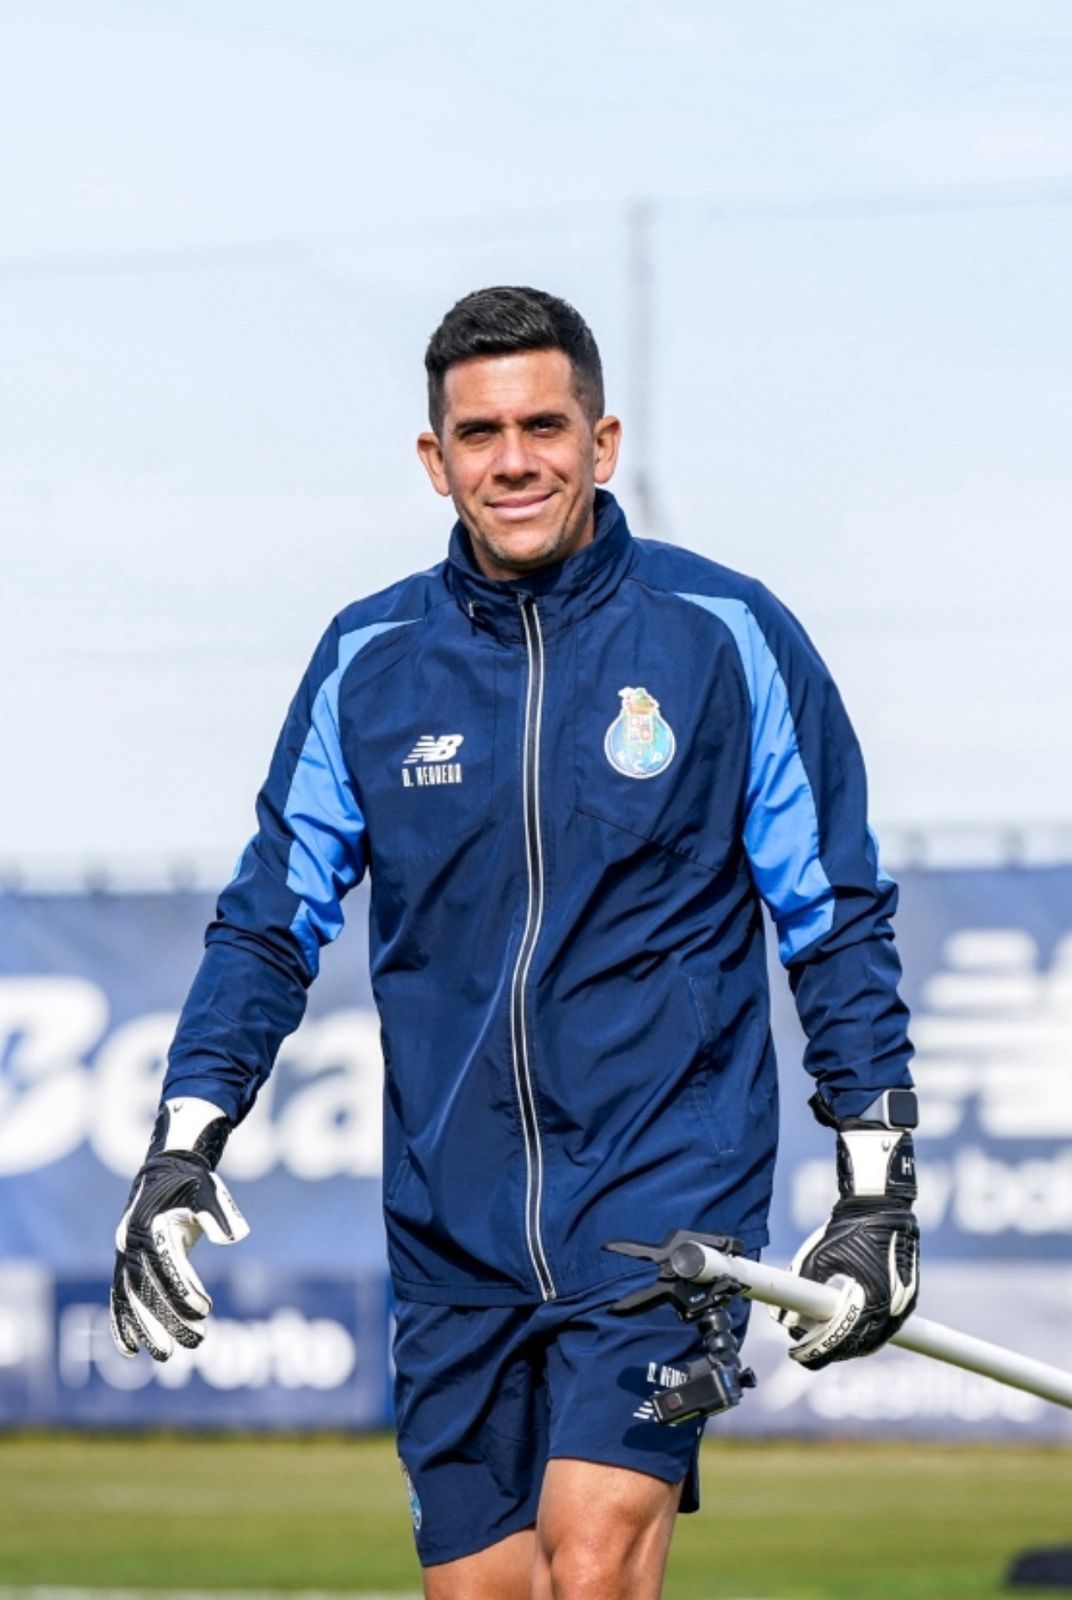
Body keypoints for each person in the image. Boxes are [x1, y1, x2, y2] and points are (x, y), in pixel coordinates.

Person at [110, 286, 920, 1600]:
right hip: (452, 1221)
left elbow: (831, 920)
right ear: (437, 461)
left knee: (591, 1567)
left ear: (602, 443)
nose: (515, 458)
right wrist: (178, 1149)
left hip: (666, 1198)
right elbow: (269, 924)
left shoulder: (729, 638)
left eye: (546, 424)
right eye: (480, 433)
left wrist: (878, 1189)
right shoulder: (364, 662)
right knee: (482, 1593)